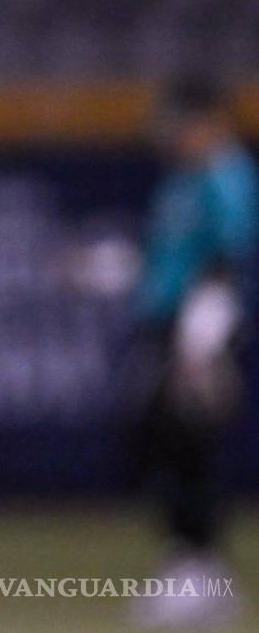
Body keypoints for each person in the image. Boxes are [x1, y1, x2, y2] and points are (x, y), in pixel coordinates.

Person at [128, 76, 257, 627]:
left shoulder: (226, 173)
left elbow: (226, 259)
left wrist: (202, 337)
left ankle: (198, 568)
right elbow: (162, 258)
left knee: (183, 440)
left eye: (181, 118)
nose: (170, 130)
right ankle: (191, 562)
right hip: (164, 323)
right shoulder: (180, 181)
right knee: (155, 440)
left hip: (198, 326)